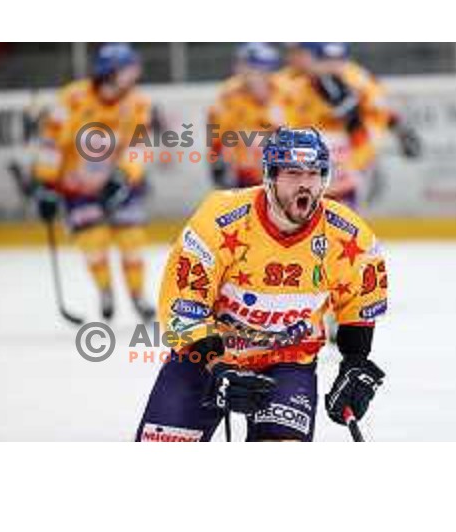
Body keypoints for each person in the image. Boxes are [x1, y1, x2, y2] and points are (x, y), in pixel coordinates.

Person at [135, 127, 387, 442]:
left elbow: (359, 308)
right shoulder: (219, 219)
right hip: (204, 358)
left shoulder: (350, 236)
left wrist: (355, 363)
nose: (305, 184)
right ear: (269, 176)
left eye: (314, 173)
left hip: (288, 361)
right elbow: (183, 305)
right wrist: (218, 365)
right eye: (293, 173)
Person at [32, 43, 155, 322]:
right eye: (129, 68)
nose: (136, 72)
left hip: (118, 183)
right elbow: (52, 142)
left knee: (131, 239)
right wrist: (46, 184)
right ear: (111, 72)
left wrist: (124, 174)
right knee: (93, 240)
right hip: (78, 185)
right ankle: (105, 290)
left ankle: (137, 295)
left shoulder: (138, 102)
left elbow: (139, 145)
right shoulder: (73, 98)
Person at [281, 42, 421, 206]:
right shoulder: (293, 82)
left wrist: (399, 129)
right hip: (313, 156)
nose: (331, 65)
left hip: (351, 157)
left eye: (338, 60)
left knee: (340, 212)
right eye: (326, 60)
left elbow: (377, 112)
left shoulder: (358, 80)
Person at [207, 43, 295, 189]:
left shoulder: (286, 91)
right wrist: (217, 166)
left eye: (262, 69)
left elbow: (296, 130)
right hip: (244, 172)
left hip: (283, 169)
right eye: (250, 68)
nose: (257, 75)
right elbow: (218, 136)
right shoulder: (229, 94)